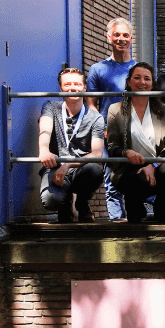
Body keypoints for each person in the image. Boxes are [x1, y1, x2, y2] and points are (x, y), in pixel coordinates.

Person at [106, 63, 165, 223]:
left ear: (152, 83)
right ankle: (135, 206)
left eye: (147, 78)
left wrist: (153, 165)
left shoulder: (163, 109)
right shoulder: (115, 109)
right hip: (129, 169)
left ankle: (161, 206)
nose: (142, 82)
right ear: (129, 82)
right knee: (136, 213)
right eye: (137, 77)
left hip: (157, 166)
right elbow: (112, 146)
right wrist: (127, 152)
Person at [38, 67, 105, 223]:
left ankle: (82, 202)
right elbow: (45, 130)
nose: (72, 88)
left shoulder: (95, 117)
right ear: (61, 88)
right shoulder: (50, 106)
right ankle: (65, 203)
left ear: (84, 87)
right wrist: (44, 149)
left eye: (77, 84)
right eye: (67, 84)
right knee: (50, 201)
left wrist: (67, 165)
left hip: (80, 168)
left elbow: (97, 153)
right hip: (55, 166)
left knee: (95, 170)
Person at [87, 17, 136, 221]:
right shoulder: (97, 69)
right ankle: (118, 222)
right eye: (117, 35)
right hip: (109, 132)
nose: (121, 39)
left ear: (131, 38)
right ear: (109, 37)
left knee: (136, 174)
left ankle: (137, 219)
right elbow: (91, 104)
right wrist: (103, 127)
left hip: (136, 131)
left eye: (125, 35)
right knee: (112, 180)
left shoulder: (139, 69)